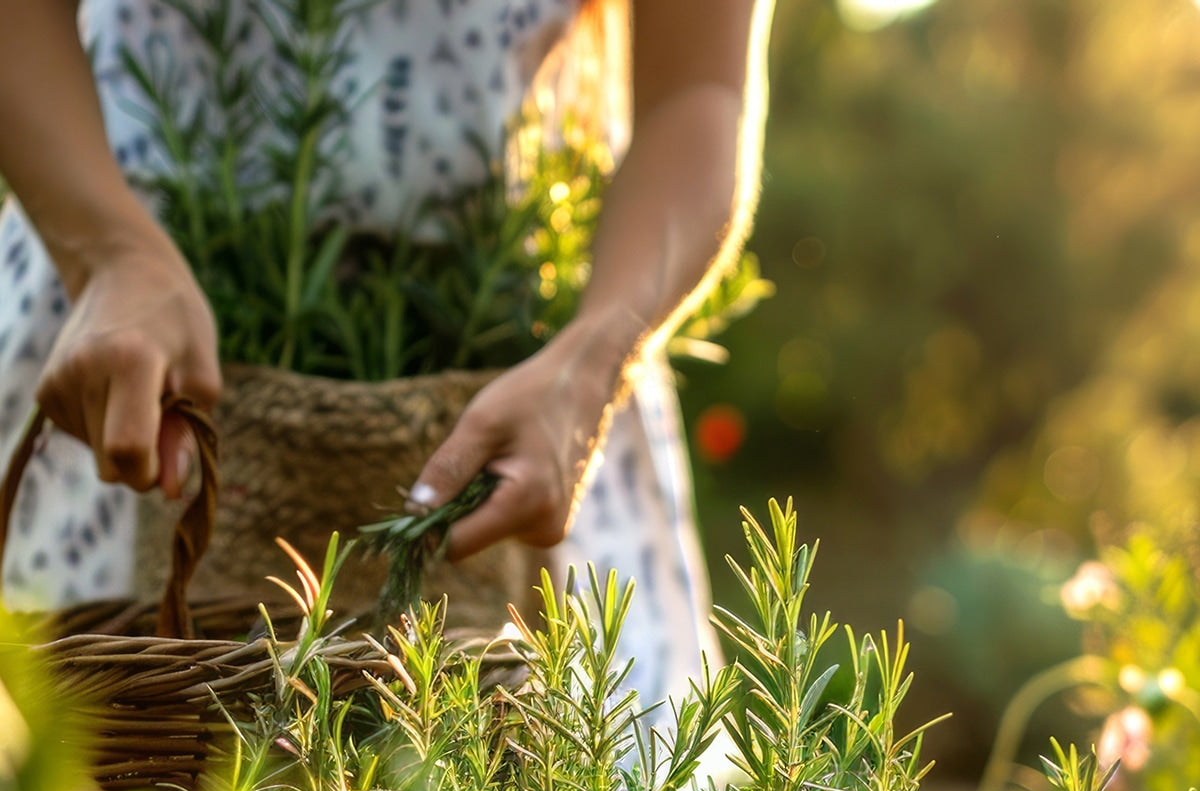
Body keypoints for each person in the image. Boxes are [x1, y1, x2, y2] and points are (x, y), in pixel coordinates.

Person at [0, 0, 773, 710]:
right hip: (121, 335)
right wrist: (107, 251)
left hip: (526, 372)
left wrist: (595, 356)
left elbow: (699, 91)